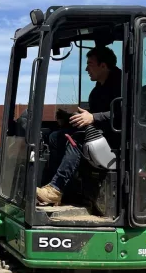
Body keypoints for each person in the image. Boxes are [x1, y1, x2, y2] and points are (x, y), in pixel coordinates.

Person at [36, 46, 122, 206]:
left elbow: (123, 115)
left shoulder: (123, 85)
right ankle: (56, 190)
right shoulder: (97, 91)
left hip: (116, 140)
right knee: (56, 137)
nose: (86, 68)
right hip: (98, 135)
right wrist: (70, 118)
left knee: (78, 139)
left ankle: (56, 188)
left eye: (90, 64)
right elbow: (93, 117)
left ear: (103, 66)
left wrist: (92, 117)